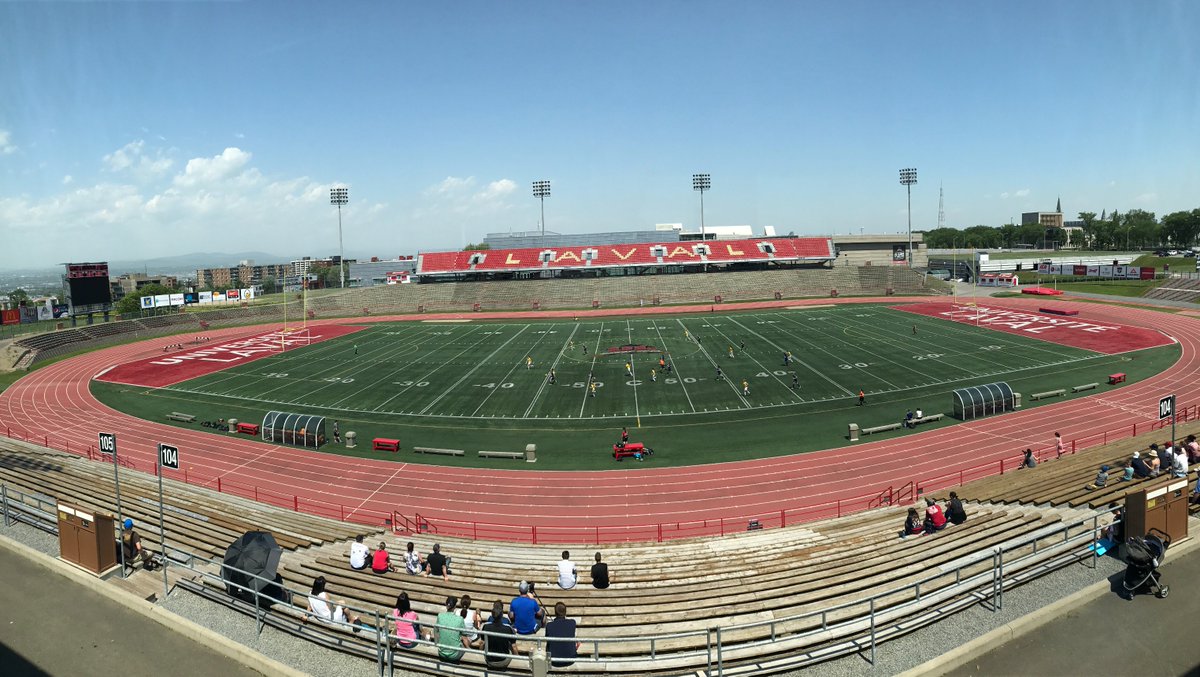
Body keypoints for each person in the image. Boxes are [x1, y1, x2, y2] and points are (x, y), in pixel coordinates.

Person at [481, 600, 517, 670]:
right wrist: (519, 658)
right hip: (503, 661)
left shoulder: (486, 626)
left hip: (489, 660)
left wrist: (479, 654)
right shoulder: (507, 628)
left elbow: (482, 643)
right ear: (502, 615)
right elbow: (514, 646)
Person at [434, 595, 469, 663]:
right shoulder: (460, 619)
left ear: (446, 604)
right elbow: (464, 636)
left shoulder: (440, 616)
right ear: (455, 606)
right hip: (454, 655)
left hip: (441, 653)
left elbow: (436, 631)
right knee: (464, 643)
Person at [544, 602, 580, 668]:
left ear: (555, 612)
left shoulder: (549, 625)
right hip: (571, 659)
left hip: (554, 661)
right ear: (565, 612)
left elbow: (547, 639)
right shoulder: (572, 623)